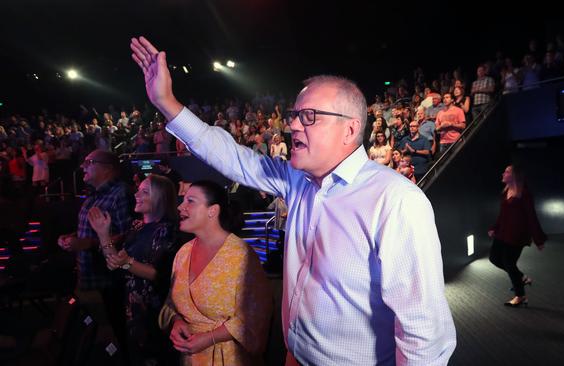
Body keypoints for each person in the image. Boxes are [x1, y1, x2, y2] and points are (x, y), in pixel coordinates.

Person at [131, 36, 455, 365]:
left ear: (350, 129)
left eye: (310, 116)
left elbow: (423, 332)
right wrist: (167, 102)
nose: (293, 125)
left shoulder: (396, 201)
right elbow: (231, 156)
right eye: (295, 115)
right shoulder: (297, 182)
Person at [158, 181, 272, 365]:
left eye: (190, 201)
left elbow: (256, 314)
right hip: (190, 358)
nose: (180, 206)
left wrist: (211, 337)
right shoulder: (183, 252)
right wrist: (177, 321)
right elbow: (172, 302)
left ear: (213, 211)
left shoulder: (240, 255)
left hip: (229, 358)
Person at [88, 174, 179, 364]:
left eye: (145, 191)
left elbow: (158, 274)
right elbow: (115, 262)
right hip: (131, 306)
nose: (136, 194)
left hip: (153, 310)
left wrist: (127, 263)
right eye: (138, 189)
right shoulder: (136, 226)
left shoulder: (166, 229)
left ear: (161, 197)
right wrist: (103, 234)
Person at [57, 149, 132, 356]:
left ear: (107, 169)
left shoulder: (120, 194)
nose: (83, 165)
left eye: (89, 161)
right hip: (88, 280)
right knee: (92, 335)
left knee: (115, 338)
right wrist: (70, 238)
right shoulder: (95, 195)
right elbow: (92, 230)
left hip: (107, 282)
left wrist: (87, 244)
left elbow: (126, 237)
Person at [488, 164, 546, 307]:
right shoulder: (506, 191)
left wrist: (538, 239)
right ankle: (522, 277)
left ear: (514, 176)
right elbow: (503, 215)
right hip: (503, 233)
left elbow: (531, 217)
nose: (503, 173)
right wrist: (494, 228)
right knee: (494, 258)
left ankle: (520, 296)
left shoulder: (524, 194)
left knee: (509, 263)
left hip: (517, 235)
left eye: (506, 171)